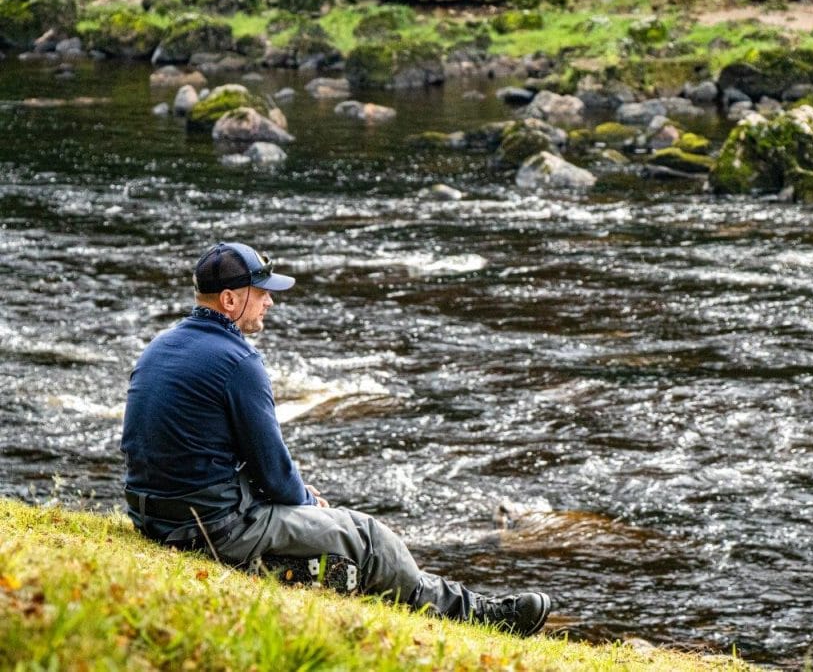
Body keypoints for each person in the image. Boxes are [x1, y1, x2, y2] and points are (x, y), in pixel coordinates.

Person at [120, 241, 551, 636]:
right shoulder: (239, 361)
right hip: (211, 528)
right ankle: (477, 616)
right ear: (230, 300)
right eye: (261, 291)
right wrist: (307, 502)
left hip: (154, 516)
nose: (270, 300)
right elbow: (273, 471)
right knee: (368, 536)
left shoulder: (159, 346)